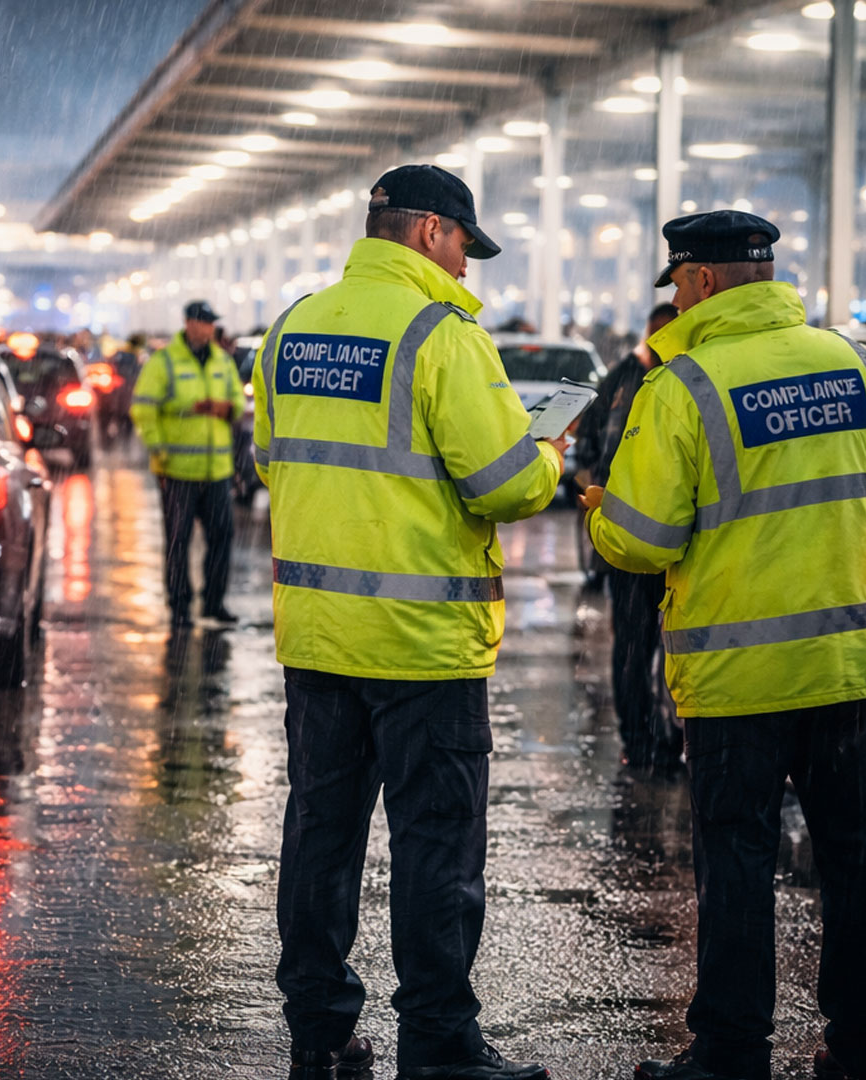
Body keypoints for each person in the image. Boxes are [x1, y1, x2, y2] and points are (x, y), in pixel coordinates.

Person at [252, 163, 562, 1080]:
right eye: (464, 246)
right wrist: (547, 452)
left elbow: (274, 458)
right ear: (431, 232)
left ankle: (319, 1031)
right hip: (425, 646)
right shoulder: (442, 335)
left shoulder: (293, 327)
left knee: (321, 837)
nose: (466, 267)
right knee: (435, 852)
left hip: (319, 638)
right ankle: (439, 1044)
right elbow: (506, 485)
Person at [582, 210, 866, 1080]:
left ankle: (730, 1054)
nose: (679, 300)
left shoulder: (683, 387)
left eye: (680, 284)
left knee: (737, 868)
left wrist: (604, 514)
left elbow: (643, 539)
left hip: (740, 677)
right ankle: (865, 1044)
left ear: (702, 281)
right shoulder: (857, 367)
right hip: (850, 669)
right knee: (858, 864)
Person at [573, 300, 681, 769]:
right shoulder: (626, 380)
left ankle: (664, 738)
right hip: (632, 546)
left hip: (669, 547)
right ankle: (640, 741)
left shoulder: (683, 382)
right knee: (636, 648)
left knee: (667, 648)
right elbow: (589, 443)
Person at [130, 299, 247, 627]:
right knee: (177, 543)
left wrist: (227, 408)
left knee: (222, 537)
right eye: (204, 322)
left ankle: (214, 603)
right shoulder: (164, 362)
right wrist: (160, 451)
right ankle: (180, 607)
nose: (209, 328)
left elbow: (238, 401)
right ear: (189, 324)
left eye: (211, 323)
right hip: (177, 471)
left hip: (216, 471)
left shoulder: (222, 361)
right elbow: (143, 408)